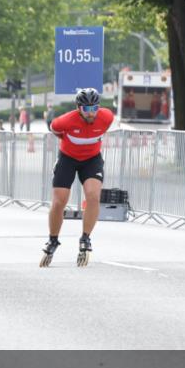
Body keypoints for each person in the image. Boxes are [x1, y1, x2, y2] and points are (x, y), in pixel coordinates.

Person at [41, 87, 115, 267]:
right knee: (59, 201)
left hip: (92, 160)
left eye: (94, 108)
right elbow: (55, 130)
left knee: (93, 196)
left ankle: (85, 237)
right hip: (68, 158)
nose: (91, 113)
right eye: (87, 110)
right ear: (78, 108)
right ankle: (53, 239)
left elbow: (102, 129)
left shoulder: (106, 117)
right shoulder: (64, 121)